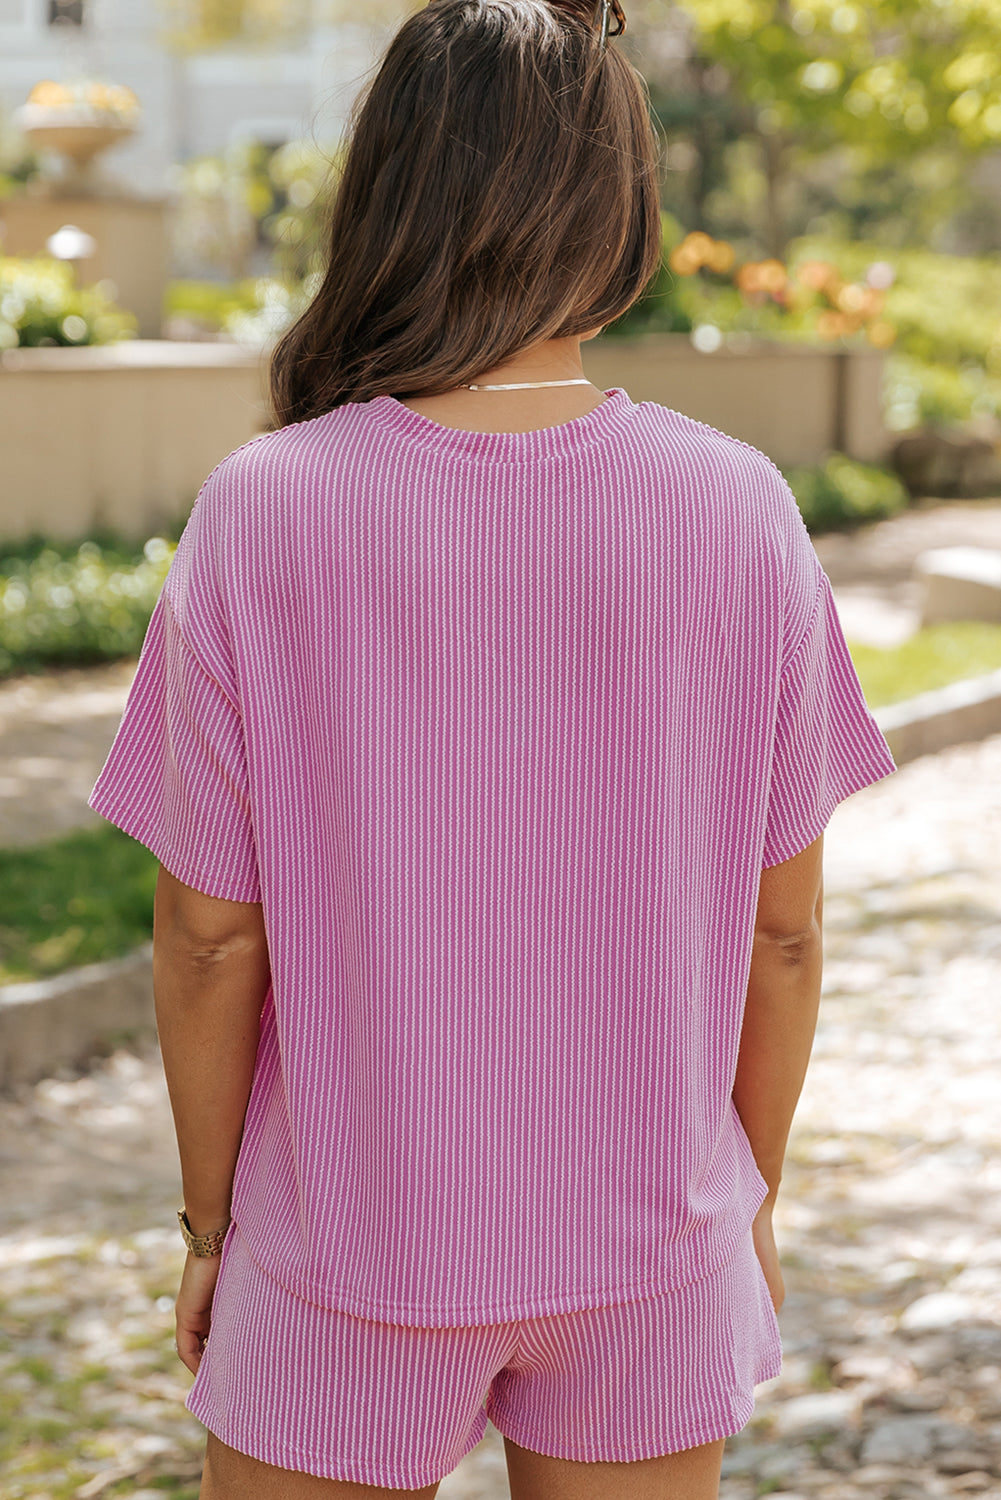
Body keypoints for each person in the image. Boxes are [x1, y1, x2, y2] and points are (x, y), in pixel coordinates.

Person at [88, 1, 896, 1496]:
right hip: (650, 1251)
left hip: (345, 1249)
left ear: (387, 195)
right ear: (619, 205)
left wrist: (210, 1227)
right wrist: (749, 1198)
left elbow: (209, 938)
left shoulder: (267, 509)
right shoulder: (736, 509)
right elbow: (780, 936)